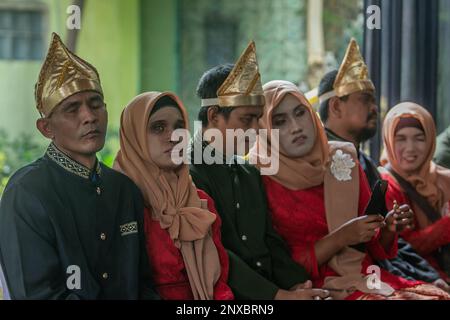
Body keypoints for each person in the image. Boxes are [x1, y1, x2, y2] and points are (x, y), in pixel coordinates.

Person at [249, 80, 450, 300]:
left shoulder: (342, 157)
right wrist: (340, 237)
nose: (296, 126)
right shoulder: (258, 178)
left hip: (369, 278)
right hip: (313, 289)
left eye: (300, 113)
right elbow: (279, 265)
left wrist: (388, 228)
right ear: (264, 131)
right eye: (279, 121)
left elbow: (372, 246)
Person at [0, 33, 159, 300]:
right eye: (72, 109)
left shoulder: (123, 189)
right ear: (46, 128)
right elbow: (37, 294)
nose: (89, 116)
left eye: (95, 104)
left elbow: (142, 283)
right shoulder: (26, 193)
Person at [190, 42, 329, 300]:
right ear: (214, 116)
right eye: (247, 119)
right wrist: (279, 296)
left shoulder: (249, 173)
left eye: (258, 118)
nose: (256, 128)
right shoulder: (188, 174)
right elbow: (215, 252)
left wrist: (300, 285)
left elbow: (270, 242)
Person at [317, 38, 442, 285]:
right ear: (336, 106)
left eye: (373, 101)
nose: (375, 108)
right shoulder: (318, 161)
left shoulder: (364, 162)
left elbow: (383, 242)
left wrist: (430, 277)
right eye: (365, 99)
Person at [113, 91, 234, 300]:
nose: (173, 137)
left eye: (179, 127)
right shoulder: (117, 202)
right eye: (158, 127)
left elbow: (220, 281)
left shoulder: (200, 200)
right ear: (135, 136)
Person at [380, 102, 450, 286]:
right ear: (388, 140)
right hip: (420, 280)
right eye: (400, 139)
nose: (410, 148)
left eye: (419, 138)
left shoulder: (445, 179)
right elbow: (404, 246)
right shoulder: (385, 184)